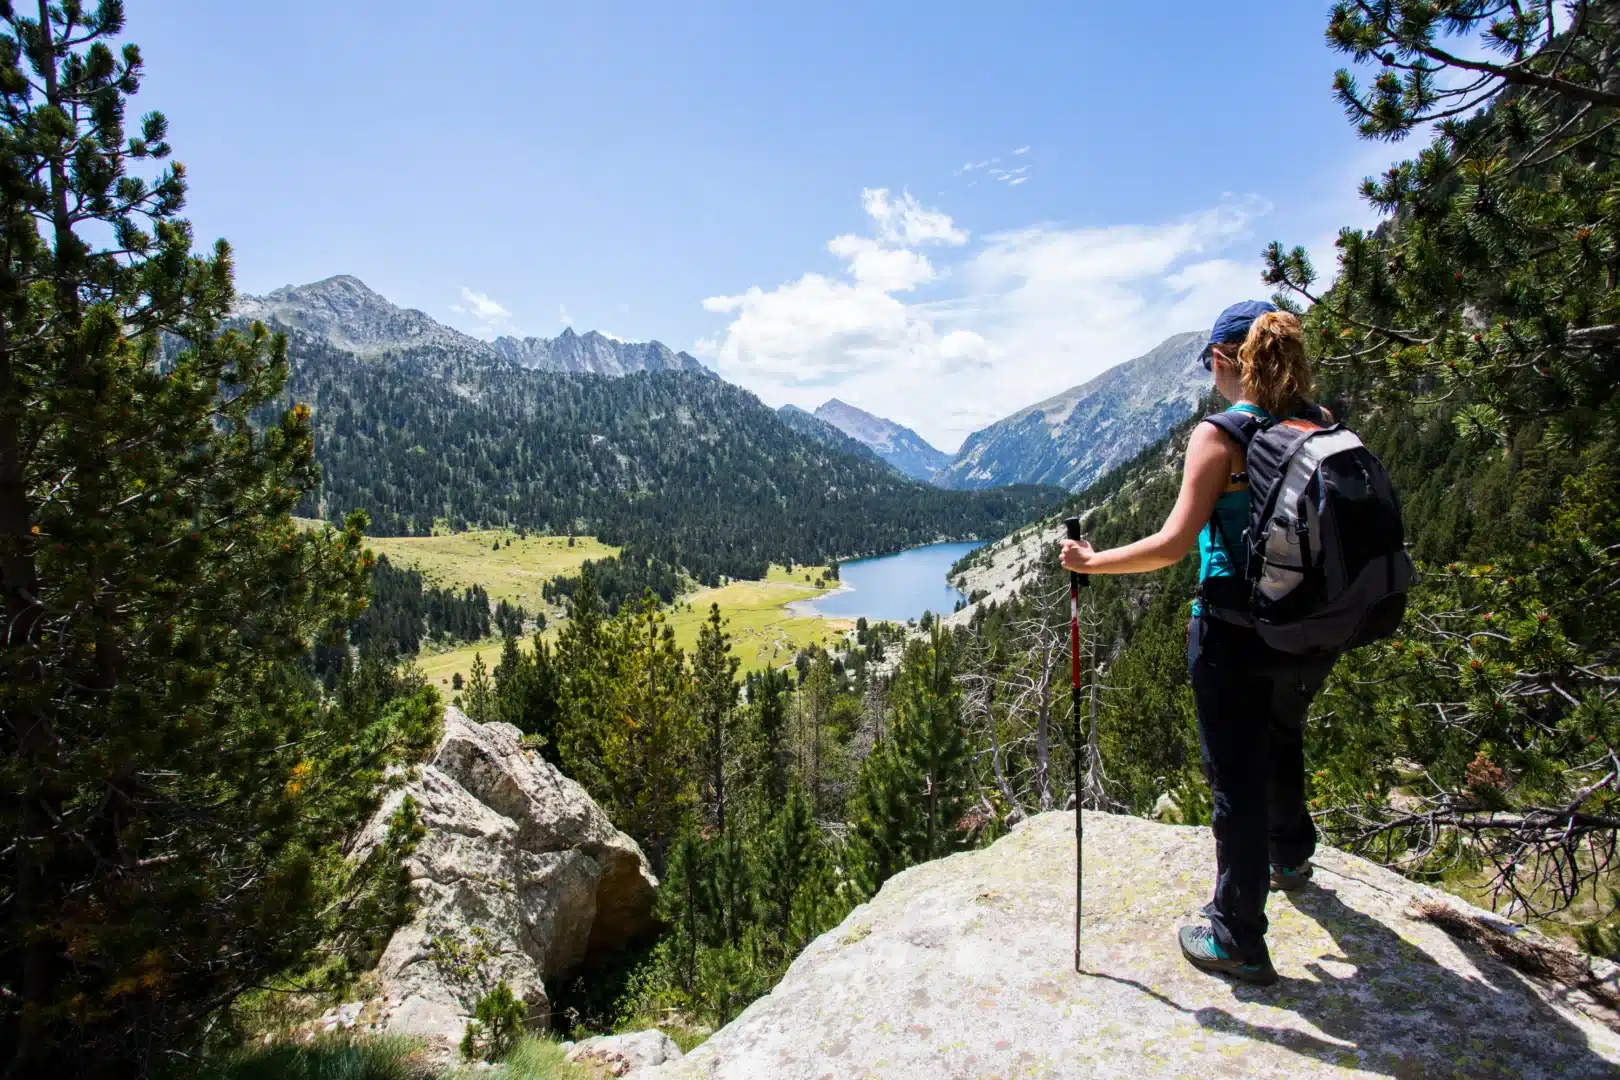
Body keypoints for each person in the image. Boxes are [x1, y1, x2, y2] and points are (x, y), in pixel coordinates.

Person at [1058, 300, 1339, 986]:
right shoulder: (1321, 423)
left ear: (1222, 361)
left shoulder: (1221, 434)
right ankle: (1291, 854)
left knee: (1234, 775)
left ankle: (1237, 931)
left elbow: (1173, 544)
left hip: (1230, 628)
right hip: (1308, 626)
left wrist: (1089, 563)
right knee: (1283, 734)